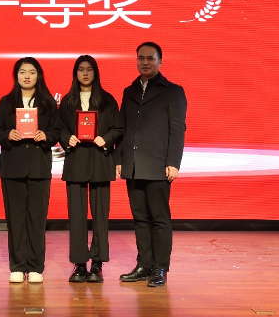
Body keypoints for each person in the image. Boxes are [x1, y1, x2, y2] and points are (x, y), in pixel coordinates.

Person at [116, 42, 187, 287]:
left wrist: (173, 162)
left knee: (159, 219)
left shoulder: (173, 91)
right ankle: (144, 265)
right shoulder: (129, 91)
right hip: (133, 164)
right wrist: (119, 159)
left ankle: (160, 268)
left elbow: (177, 130)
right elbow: (123, 128)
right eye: (141, 58)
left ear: (160, 61)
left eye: (150, 58)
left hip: (158, 165)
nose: (145, 62)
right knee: (140, 218)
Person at [0, 57, 59, 284]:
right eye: (22, 72)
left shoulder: (48, 103)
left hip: (39, 166)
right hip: (13, 167)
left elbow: (58, 131)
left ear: (39, 75)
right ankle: (18, 266)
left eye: (31, 72)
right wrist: (7, 135)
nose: (27, 76)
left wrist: (46, 135)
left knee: (37, 218)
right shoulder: (6, 102)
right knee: (16, 219)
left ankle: (36, 266)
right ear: (16, 75)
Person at [58, 55, 124, 283]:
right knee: (76, 216)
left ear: (95, 72)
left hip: (100, 160)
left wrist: (106, 138)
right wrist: (67, 138)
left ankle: (97, 263)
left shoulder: (107, 100)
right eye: (81, 69)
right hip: (76, 160)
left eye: (89, 69)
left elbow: (118, 128)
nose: (85, 73)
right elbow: (59, 128)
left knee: (100, 216)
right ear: (75, 73)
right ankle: (79, 264)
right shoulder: (67, 101)